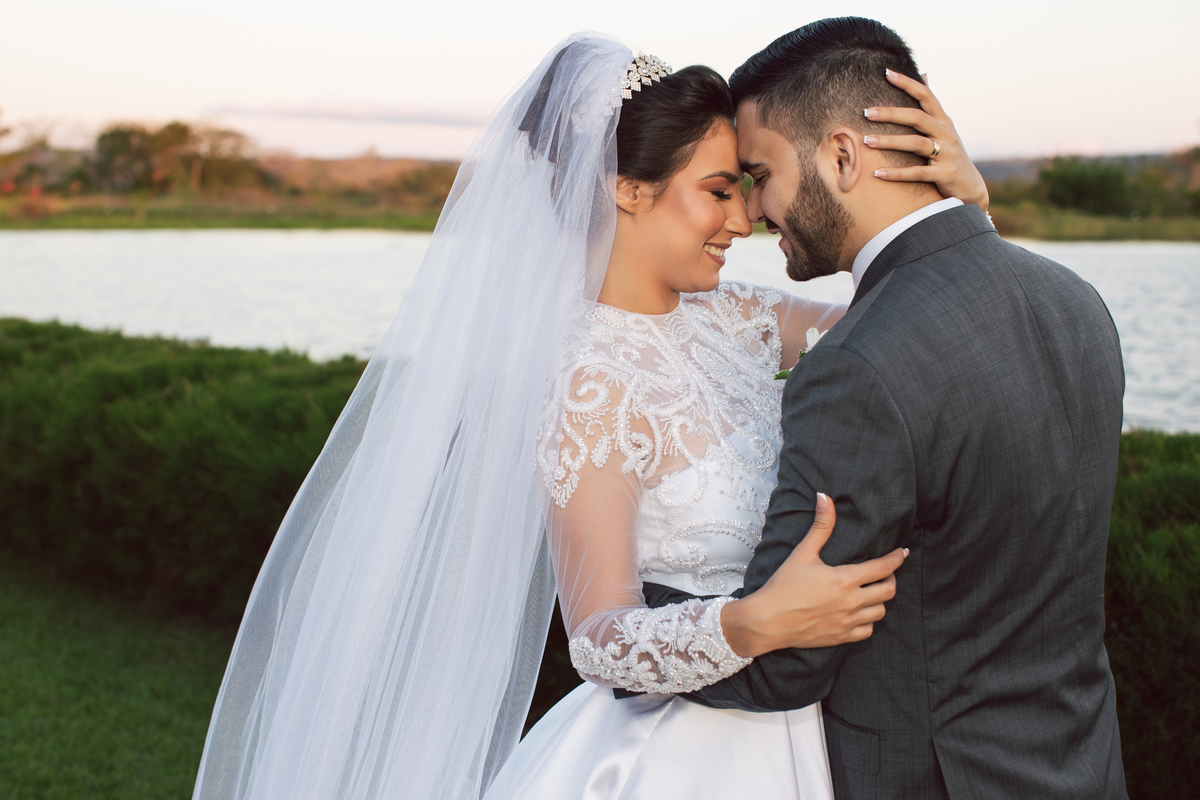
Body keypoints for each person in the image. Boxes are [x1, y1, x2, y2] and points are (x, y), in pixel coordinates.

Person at [191, 32, 987, 800]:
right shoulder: (590, 386)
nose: (744, 222)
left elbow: (922, 322)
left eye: (744, 191)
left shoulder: (741, 317)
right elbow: (599, 638)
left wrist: (965, 208)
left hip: (815, 731)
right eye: (718, 192)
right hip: (684, 757)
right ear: (627, 189)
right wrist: (751, 623)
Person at [631, 18, 1129, 800]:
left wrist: (627, 616)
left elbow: (785, 665)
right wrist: (975, 210)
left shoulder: (859, 366)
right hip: (1086, 770)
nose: (754, 211)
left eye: (760, 174)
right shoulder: (1073, 300)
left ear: (841, 156)